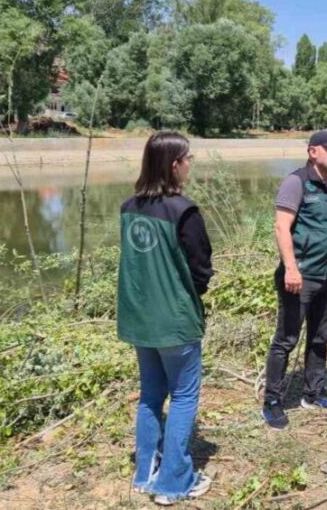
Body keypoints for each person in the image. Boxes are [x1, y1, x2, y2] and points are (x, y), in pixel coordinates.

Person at [117, 131, 214, 505]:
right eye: (188, 158)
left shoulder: (128, 208)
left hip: (140, 319)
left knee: (151, 395)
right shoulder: (183, 211)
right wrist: (191, 295)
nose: (191, 164)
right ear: (175, 165)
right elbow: (200, 268)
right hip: (174, 320)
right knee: (184, 395)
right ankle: (174, 482)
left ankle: (144, 474)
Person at [262, 130, 327, 430]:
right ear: (313, 152)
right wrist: (291, 267)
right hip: (300, 277)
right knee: (286, 339)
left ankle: (313, 393)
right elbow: (281, 227)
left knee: (320, 337)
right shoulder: (296, 182)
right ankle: (272, 401)